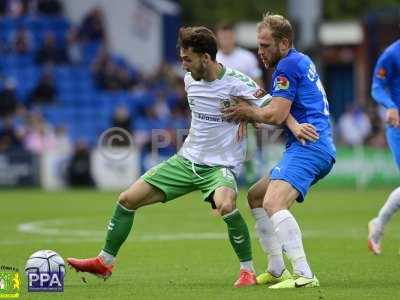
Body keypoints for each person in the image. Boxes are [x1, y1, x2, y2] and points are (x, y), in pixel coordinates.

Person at [67, 26, 318, 287]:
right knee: (126, 199)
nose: (184, 65)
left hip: (219, 167)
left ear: (206, 58)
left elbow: (272, 106)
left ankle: (247, 271)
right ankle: (104, 261)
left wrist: (294, 126)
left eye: (187, 59)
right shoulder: (189, 80)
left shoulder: (237, 82)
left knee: (227, 205)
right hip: (185, 161)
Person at [223, 13, 336, 289]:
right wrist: (290, 123)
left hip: (310, 147)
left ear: (284, 43)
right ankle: (276, 269)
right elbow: (280, 109)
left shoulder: (286, 67)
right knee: (256, 197)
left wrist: (247, 112)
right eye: (258, 45)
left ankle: (305, 274)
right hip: (310, 144)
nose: (260, 52)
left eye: (265, 45)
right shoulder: (299, 60)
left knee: (273, 203)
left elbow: (274, 114)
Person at [216, 22, 263, 185]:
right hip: (220, 115)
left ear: (233, 37)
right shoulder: (214, 59)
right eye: (222, 37)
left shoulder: (247, 58)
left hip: (245, 112)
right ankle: (222, 185)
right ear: (218, 38)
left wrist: (257, 109)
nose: (226, 40)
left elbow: (257, 84)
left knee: (249, 151)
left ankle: (253, 184)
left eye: (228, 36)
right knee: (221, 152)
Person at [367, 38, 400, 255]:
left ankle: (377, 225)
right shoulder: (392, 54)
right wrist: (390, 106)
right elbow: (377, 87)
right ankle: (377, 226)